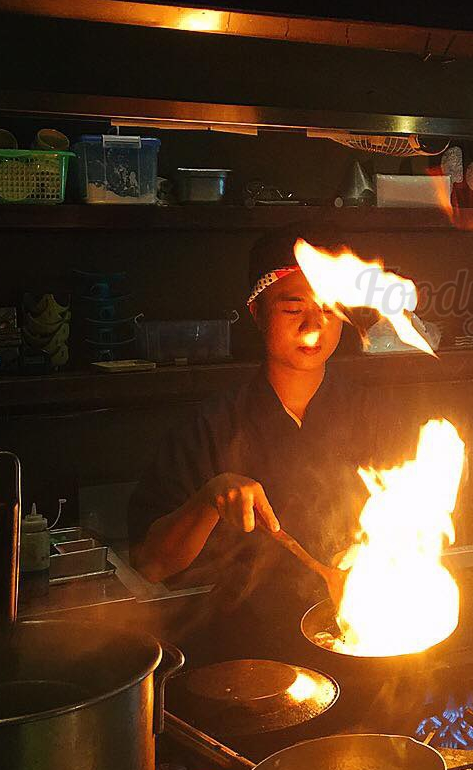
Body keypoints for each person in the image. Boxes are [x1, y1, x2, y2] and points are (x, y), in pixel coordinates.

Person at [128, 229, 416, 657]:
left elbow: (413, 533)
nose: (313, 325)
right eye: (293, 308)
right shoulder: (211, 427)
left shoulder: (374, 416)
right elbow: (152, 564)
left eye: (328, 309)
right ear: (257, 313)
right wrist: (209, 499)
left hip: (359, 642)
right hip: (246, 656)